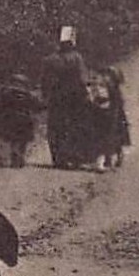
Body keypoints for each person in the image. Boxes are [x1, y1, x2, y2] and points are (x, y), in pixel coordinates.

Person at [40, 26, 88, 169]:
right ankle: (74, 157)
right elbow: (82, 79)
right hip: (75, 97)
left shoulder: (50, 60)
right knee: (75, 125)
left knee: (56, 127)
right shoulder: (77, 58)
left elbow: (45, 81)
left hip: (57, 98)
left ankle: (58, 158)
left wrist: (45, 96)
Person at [0, 75, 43, 169]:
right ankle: (20, 155)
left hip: (10, 119)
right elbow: (37, 106)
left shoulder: (6, 93)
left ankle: (14, 153)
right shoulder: (28, 94)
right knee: (22, 139)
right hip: (24, 119)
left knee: (13, 138)